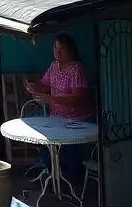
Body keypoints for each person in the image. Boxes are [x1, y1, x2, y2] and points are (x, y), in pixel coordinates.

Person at [24, 33, 95, 191]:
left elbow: (77, 97)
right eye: (55, 48)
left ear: (71, 50)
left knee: (68, 147)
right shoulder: (53, 67)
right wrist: (33, 87)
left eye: (62, 48)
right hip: (57, 118)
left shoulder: (76, 69)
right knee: (43, 142)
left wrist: (52, 99)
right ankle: (53, 175)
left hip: (78, 120)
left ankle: (73, 181)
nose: (58, 52)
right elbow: (44, 85)